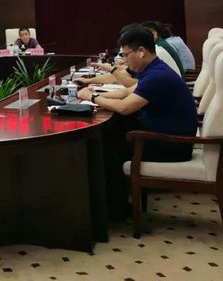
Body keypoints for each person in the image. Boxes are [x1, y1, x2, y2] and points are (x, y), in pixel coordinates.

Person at [78, 26, 197, 219]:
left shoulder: (157, 76)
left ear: (141, 51)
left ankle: (117, 210)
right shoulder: (155, 69)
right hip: (165, 135)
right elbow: (127, 92)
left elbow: (124, 107)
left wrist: (92, 98)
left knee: (107, 149)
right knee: (113, 133)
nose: (124, 60)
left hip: (172, 146)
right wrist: (96, 94)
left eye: (126, 55)